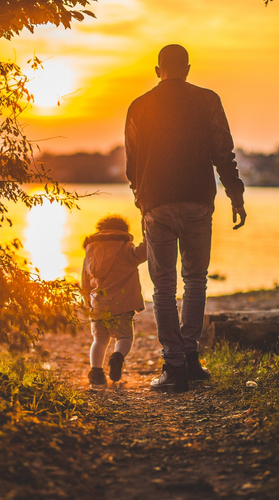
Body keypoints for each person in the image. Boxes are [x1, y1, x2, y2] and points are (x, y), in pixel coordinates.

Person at [125, 44, 247, 393]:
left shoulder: (139, 105)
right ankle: (191, 359)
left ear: (157, 69)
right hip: (197, 200)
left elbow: (132, 161)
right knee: (195, 279)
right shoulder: (207, 100)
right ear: (188, 69)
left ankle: (174, 366)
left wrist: (141, 199)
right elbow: (223, 151)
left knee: (163, 286)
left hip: (157, 204)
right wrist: (235, 194)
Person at [81, 214, 147, 386]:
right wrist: (148, 230)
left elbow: (84, 280)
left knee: (99, 340)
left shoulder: (90, 250)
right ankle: (117, 357)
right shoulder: (125, 247)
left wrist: (87, 301)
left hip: (97, 305)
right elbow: (144, 253)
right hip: (122, 305)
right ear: (123, 231)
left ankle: (96, 372)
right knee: (124, 337)